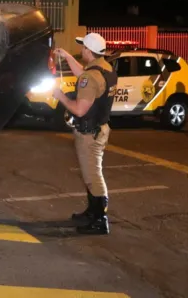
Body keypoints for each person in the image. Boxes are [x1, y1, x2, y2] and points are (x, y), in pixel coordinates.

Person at [52, 32, 117, 235]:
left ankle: (100, 220)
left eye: (82, 49)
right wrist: (68, 57)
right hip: (99, 128)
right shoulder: (105, 69)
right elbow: (84, 75)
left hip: (90, 133)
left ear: (89, 51)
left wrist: (59, 95)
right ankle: (92, 212)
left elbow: (79, 109)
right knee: (90, 173)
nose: (80, 51)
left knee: (92, 176)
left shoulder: (91, 77)